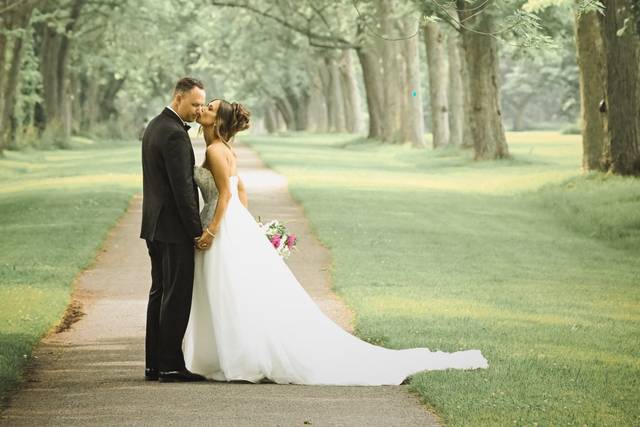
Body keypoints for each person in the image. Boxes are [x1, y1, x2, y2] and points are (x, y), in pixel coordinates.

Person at [182, 99, 489, 385]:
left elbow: (226, 194)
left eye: (209, 108)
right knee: (231, 289)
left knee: (228, 289)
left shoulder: (214, 151)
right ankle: (234, 352)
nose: (203, 110)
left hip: (221, 224)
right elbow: (241, 190)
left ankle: (241, 356)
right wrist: (244, 223)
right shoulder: (223, 149)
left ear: (217, 121)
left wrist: (212, 231)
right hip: (232, 224)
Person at [140, 77, 209, 382]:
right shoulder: (174, 135)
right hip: (172, 229)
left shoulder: (155, 125)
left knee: (160, 292)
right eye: (194, 104)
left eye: (201, 104)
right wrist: (196, 230)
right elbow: (183, 191)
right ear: (178, 98)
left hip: (155, 226)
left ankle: (154, 363)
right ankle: (170, 365)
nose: (199, 109)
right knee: (176, 296)